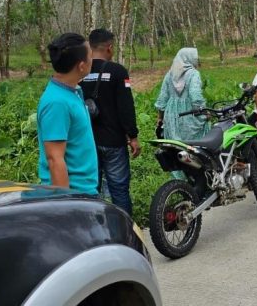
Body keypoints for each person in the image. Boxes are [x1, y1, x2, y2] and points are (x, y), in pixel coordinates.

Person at [80, 29, 141, 215]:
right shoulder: (118, 71)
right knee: (119, 191)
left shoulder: (80, 72)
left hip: (88, 143)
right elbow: (126, 107)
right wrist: (132, 136)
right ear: (110, 47)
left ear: (90, 47)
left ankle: (94, 233)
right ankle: (124, 232)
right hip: (114, 142)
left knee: (91, 191)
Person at [36, 33, 98, 194]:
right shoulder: (56, 103)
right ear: (81, 66)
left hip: (85, 191)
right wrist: (65, 206)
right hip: (75, 196)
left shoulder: (73, 91)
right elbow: (55, 159)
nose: (93, 59)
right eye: (91, 55)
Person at [155, 48, 208, 141]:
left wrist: (160, 117)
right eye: (195, 58)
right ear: (189, 58)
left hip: (172, 115)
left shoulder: (169, 75)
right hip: (189, 112)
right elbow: (195, 96)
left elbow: (163, 98)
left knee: (175, 144)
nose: (197, 60)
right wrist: (204, 112)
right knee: (194, 144)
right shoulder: (193, 74)